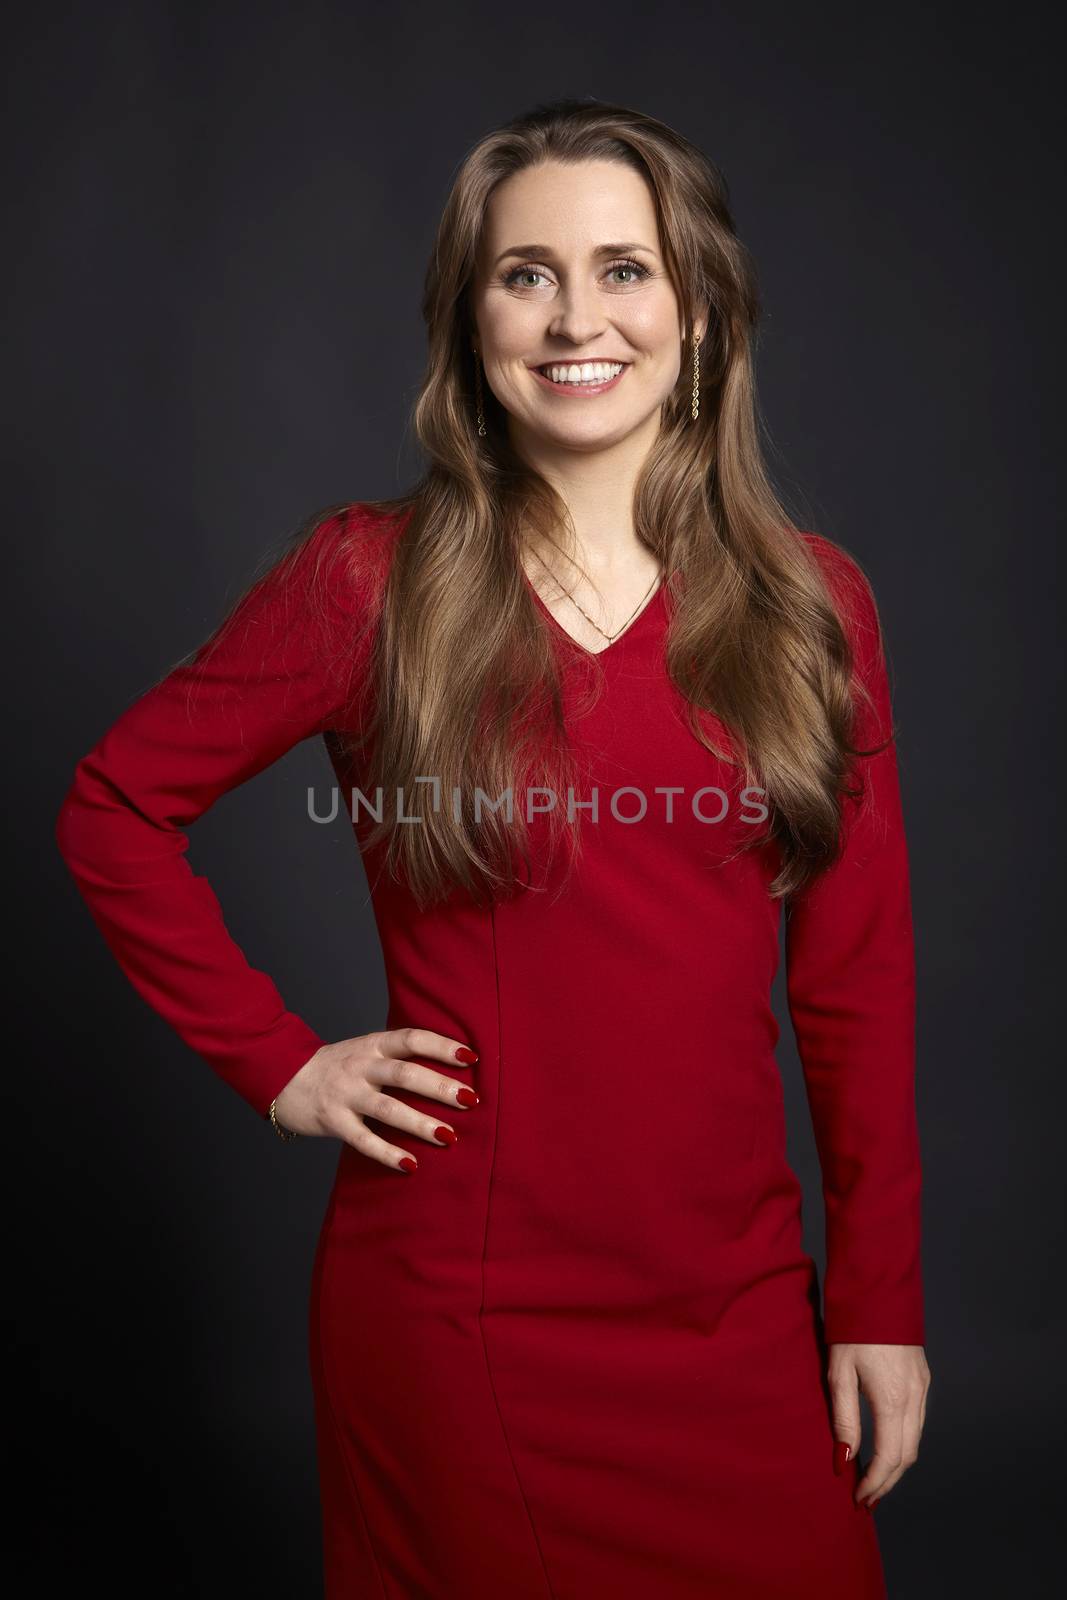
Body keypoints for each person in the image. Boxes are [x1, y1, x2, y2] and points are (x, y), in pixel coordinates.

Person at [55, 96, 931, 1598]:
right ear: (470, 326)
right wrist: (282, 1063)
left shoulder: (812, 608)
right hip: (462, 1322)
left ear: (701, 313)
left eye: (623, 269)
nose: (576, 315)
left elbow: (855, 987)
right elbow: (114, 808)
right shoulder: (367, 584)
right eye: (525, 274)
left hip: (736, 1317)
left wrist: (879, 1303)